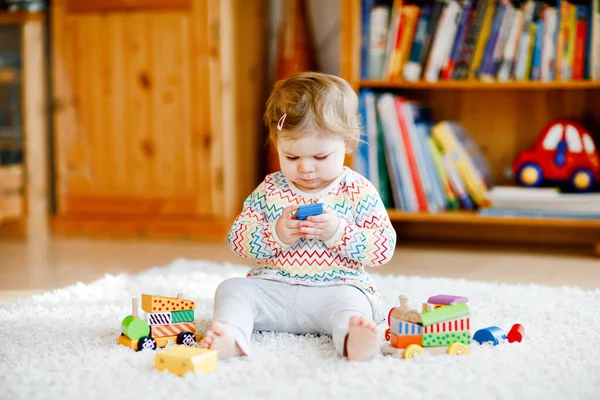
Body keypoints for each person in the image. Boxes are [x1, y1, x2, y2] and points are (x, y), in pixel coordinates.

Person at [201, 71, 397, 362]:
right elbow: (237, 240)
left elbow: (382, 249)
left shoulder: (357, 190)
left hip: (335, 289)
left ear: (347, 144)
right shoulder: (270, 189)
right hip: (274, 288)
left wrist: (338, 232)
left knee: (354, 303)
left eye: (320, 157)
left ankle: (353, 341)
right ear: (276, 143)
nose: (305, 168)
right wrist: (275, 234)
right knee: (231, 289)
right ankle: (230, 337)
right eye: (292, 157)